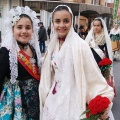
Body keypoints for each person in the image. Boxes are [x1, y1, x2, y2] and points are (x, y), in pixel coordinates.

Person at [39, 5, 114, 120]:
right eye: (57, 21)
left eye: (66, 21)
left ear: (72, 22)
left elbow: (92, 74)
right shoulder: (52, 45)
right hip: (53, 99)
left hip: (73, 99)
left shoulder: (80, 45)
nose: (62, 25)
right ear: (52, 23)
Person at [0, 6, 41, 119]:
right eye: (19, 27)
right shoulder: (5, 51)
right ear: (13, 30)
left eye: (28, 27)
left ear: (32, 30)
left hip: (34, 101)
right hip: (16, 103)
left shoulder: (33, 49)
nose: (24, 31)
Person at [85, 18, 115, 120]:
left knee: (100, 84)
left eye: (98, 25)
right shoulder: (90, 37)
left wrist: (106, 66)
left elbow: (108, 53)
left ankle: (101, 103)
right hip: (91, 65)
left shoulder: (104, 38)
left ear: (102, 27)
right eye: (94, 25)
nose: (96, 27)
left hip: (100, 65)